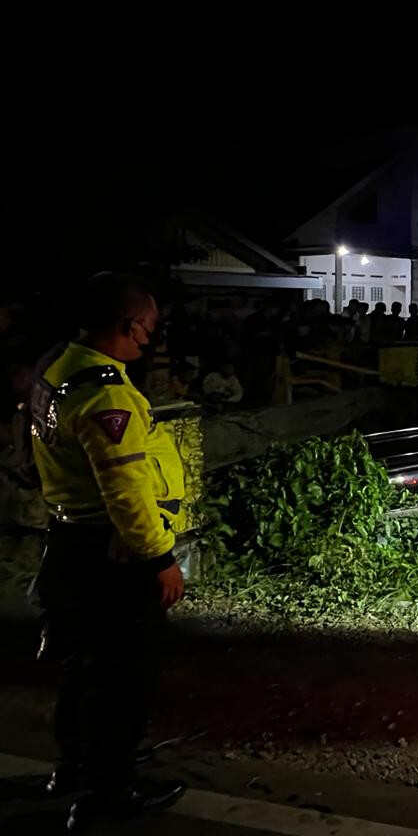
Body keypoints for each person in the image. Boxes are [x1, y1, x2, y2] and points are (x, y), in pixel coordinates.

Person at [29, 273, 186, 828]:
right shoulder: (106, 394)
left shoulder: (58, 366)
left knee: (82, 670)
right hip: (111, 554)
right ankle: (105, 793)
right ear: (127, 325)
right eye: (148, 329)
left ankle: (74, 768)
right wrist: (160, 558)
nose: (150, 339)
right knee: (121, 679)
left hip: (70, 539)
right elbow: (125, 490)